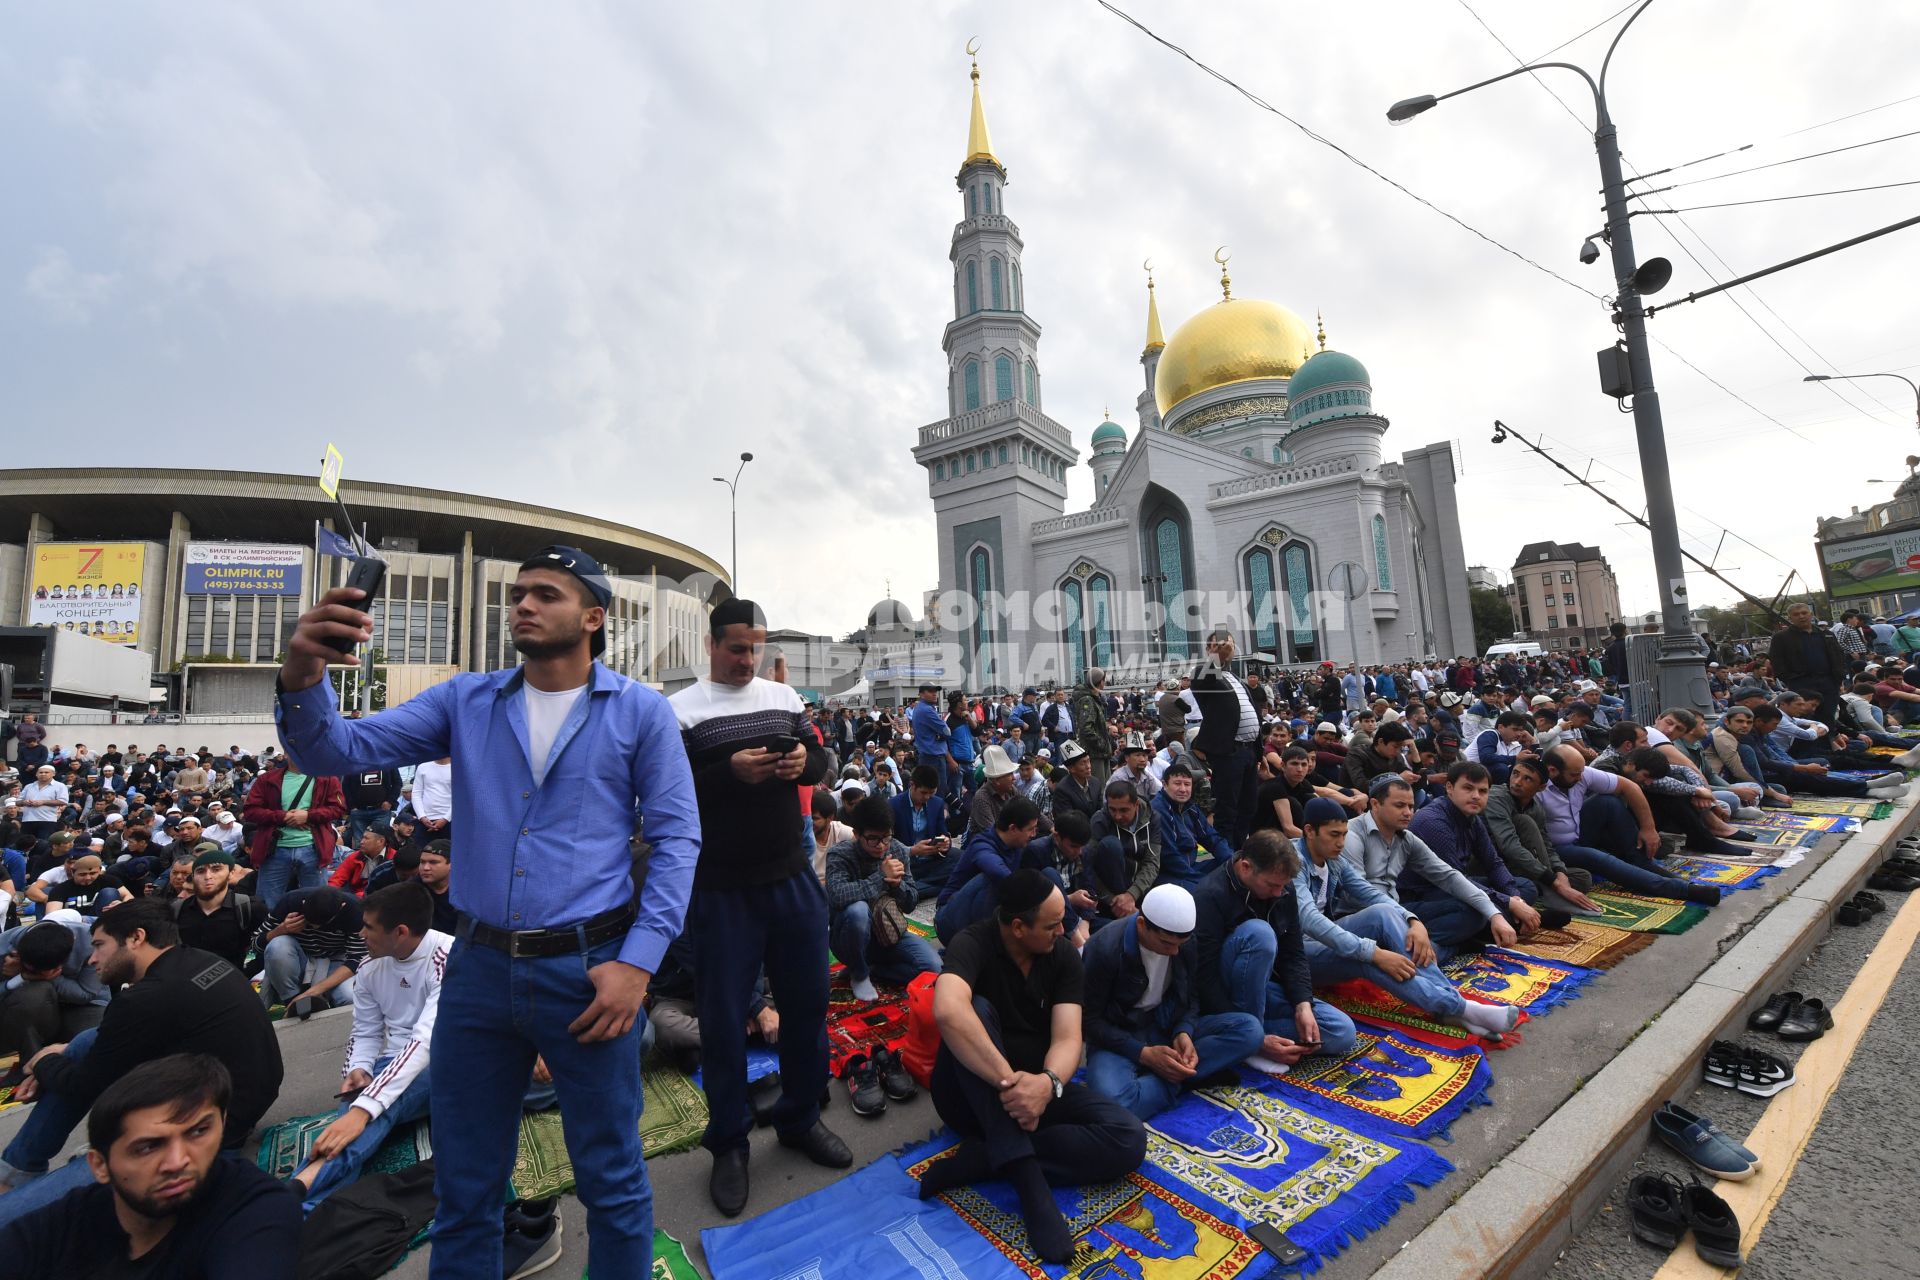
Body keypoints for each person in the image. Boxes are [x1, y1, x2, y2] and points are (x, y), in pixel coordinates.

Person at [273, 545, 700, 1278]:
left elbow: (676, 838)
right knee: (466, 1188)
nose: (523, 605)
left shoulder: (640, 713)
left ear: (594, 617)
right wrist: (303, 671)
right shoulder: (465, 702)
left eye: (546, 594)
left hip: (590, 972)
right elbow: (333, 748)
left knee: (614, 1181)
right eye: (518, 594)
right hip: (475, 974)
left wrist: (638, 963)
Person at [669, 598, 845, 1220]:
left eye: (757, 648)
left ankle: (800, 1116)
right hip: (720, 888)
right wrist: (727, 773)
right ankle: (729, 1143)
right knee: (722, 1024)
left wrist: (805, 764)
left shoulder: (784, 700)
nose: (748, 660)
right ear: (713, 644)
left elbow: (821, 757)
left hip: (791, 880)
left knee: (807, 1007)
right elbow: (668, 789)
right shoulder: (681, 710)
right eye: (737, 649)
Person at [0, 901, 283, 1221]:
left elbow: (81, 1086)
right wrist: (60, 1054)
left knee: (8, 1218)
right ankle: (16, 1170)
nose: (92, 958)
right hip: (237, 1099)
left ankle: (17, 1188)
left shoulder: (147, 998)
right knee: (85, 1041)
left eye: (99, 946)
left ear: (136, 938)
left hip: (205, 1138)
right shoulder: (197, 960)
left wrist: (40, 1061)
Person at [919, 870, 1147, 1263]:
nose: (1064, 929)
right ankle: (1028, 1180)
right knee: (975, 1009)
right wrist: (1010, 1083)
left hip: (1036, 1092)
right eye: (1053, 924)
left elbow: (1068, 1038)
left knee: (1129, 1138)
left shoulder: (1060, 956)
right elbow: (948, 1011)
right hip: (971, 1094)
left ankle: (983, 1160)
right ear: (1019, 927)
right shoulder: (972, 942)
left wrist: (1048, 1083)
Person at [0, 1054, 301, 1278]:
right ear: (100, 1165)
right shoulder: (69, 1221)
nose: (177, 1161)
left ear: (221, 1124)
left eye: (198, 1132)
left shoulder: (256, 1211)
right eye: (147, 1147)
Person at [1291, 798, 1519, 1040]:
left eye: (1344, 834)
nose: (1340, 842)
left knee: (1385, 913)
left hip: (1326, 937)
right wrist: (1374, 952)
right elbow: (1310, 919)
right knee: (1367, 959)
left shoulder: (1335, 860)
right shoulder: (1293, 860)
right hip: (1296, 954)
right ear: (1309, 831)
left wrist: (1412, 920)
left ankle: (1451, 1008)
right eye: (1333, 834)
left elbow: (1370, 894)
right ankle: (1461, 1008)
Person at [292, 882, 450, 1212]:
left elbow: (424, 1043)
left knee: (371, 1109)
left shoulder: (448, 959)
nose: (361, 934)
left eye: (368, 927)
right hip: (391, 1064)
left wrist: (365, 1107)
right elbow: (364, 1033)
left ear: (401, 932)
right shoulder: (369, 968)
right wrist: (358, 1070)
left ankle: (300, 1189)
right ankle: (304, 1197)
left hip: (449, 1062)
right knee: (367, 1101)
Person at [1082, 883, 1261, 1120]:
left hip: (1164, 1025)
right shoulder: (1104, 948)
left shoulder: (1185, 942)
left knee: (1250, 1031)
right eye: (1167, 943)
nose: (1175, 952)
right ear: (1142, 925)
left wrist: (1183, 1032)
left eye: (1180, 944)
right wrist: (1144, 1054)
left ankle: (1166, 1075)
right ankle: (1182, 1078)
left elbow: (1190, 996)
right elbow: (1090, 1021)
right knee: (1115, 1104)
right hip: (1120, 1035)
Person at [1192, 830, 1355, 1074]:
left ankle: (1255, 1036)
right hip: (1221, 993)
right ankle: (1248, 1039)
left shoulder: (1282, 889)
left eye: (1283, 885)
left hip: (1264, 985)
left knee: (1341, 1031)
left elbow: (1293, 953)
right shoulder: (1210, 895)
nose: (1279, 892)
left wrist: (1303, 1004)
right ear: (1246, 868)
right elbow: (1204, 978)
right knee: (1259, 934)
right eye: (1272, 885)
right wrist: (1255, 1039)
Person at [1343, 778, 1516, 961]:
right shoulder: (1351, 834)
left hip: (1398, 910)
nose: (1408, 813)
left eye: (1411, 806)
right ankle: (1442, 949)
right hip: (1362, 917)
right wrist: (1411, 920)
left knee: (1476, 912)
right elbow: (1358, 894)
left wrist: (1494, 914)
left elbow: (1448, 875)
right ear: (1375, 804)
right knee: (1385, 921)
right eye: (1400, 806)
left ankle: (1415, 947)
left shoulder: (1406, 838)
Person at [1407, 763, 1564, 937]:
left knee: (1525, 887)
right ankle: (1493, 927)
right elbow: (1454, 881)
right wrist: (1509, 903)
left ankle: (1499, 924)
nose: (1476, 796)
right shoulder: (1434, 822)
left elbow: (1493, 863)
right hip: (1422, 894)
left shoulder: (1472, 819)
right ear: (1449, 788)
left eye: (1482, 791)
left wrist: (1515, 898)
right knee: (1471, 914)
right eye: (1468, 788)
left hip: (1454, 885)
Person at [824, 796, 941, 1004]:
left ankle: (874, 969)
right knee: (857, 910)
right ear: (856, 834)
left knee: (933, 967)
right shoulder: (840, 854)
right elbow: (837, 896)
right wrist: (880, 876)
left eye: (886, 837)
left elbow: (911, 902)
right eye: (873, 839)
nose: (881, 846)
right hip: (849, 937)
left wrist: (897, 886)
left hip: (889, 932)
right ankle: (859, 973)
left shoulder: (895, 849)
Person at [0, 915, 106, 1065]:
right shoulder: (5, 949)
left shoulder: (91, 941)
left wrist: (44, 977)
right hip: (30, 1009)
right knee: (32, 996)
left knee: (92, 1047)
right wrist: (20, 978)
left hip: (83, 1006)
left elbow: (86, 993)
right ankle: (31, 1064)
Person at [242, 758, 346, 911]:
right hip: (274, 849)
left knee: (318, 903)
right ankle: (269, 933)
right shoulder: (267, 779)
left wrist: (308, 816)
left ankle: (312, 934)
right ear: (285, 752)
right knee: (266, 904)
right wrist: (282, 817)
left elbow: (338, 808)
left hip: (313, 848)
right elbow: (250, 811)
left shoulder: (327, 778)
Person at [1189, 630, 1262, 845]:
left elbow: (1252, 713)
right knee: (1227, 809)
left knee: (1248, 806)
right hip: (1230, 753)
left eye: (1230, 644)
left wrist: (1259, 753)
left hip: (1249, 752)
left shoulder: (1235, 678)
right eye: (1220, 645)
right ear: (1209, 649)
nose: (1227, 648)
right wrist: (1215, 656)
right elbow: (1206, 675)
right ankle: (1226, 857)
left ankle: (1239, 849)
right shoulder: (1202, 674)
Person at [937, 797, 1043, 944]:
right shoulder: (982, 845)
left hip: (988, 914)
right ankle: (976, 948)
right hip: (950, 918)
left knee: (1047, 873)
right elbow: (998, 872)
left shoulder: (1018, 845)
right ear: (1012, 828)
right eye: (1030, 829)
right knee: (990, 880)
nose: (1034, 834)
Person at [252, 886, 367, 1015]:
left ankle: (323, 1005)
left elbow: (357, 959)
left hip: (336, 961)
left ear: (341, 908)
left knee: (349, 997)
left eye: (321, 925)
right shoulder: (291, 901)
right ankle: (292, 1001)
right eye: (308, 921)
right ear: (304, 903)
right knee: (278, 946)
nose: (313, 927)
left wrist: (312, 992)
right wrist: (281, 930)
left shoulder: (355, 910)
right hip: (298, 958)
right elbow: (255, 943)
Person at [170, 847, 260, 969]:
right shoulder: (177, 910)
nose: (208, 876)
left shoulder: (248, 908)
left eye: (216, 869)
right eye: (201, 871)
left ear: (231, 873)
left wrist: (246, 969)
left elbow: (256, 948)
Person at [1150, 760, 1231, 889]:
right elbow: (1169, 857)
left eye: (1187, 784)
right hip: (1168, 873)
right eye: (1177, 784)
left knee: (1232, 870)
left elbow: (1212, 838)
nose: (1183, 789)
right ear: (1164, 784)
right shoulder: (1159, 810)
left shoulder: (1190, 807)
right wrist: (1201, 880)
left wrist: (1232, 861)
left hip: (1192, 865)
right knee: (1207, 891)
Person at [1767, 603, 1848, 726]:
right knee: (1805, 718)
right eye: (1796, 614)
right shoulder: (1782, 637)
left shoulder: (1826, 634)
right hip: (1801, 683)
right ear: (1790, 618)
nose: (1801, 616)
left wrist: (1839, 677)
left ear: (1811, 615)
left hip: (1829, 682)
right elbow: (1776, 660)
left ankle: (1828, 743)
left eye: (1804, 613)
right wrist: (1789, 679)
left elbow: (1838, 656)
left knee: (1828, 717)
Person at [909, 683, 954, 797]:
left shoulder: (920, 707)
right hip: (934, 757)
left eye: (935, 691)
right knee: (937, 793)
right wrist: (941, 734)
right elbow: (947, 731)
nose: (934, 694)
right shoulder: (926, 710)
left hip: (927, 755)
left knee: (930, 793)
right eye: (930, 691)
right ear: (921, 694)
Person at [327, 826, 390, 896]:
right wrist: (329, 894)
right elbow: (337, 878)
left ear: (381, 841)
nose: (362, 841)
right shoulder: (355, 856)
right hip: (354, 895)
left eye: (366, 838)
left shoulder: (393, 859)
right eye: (363, 837)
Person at [414, 839, 458, 934]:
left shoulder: (465, 894)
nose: (426, 868)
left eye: (433, 862)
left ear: (452, 864)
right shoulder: (410, 890)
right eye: (422, 862)